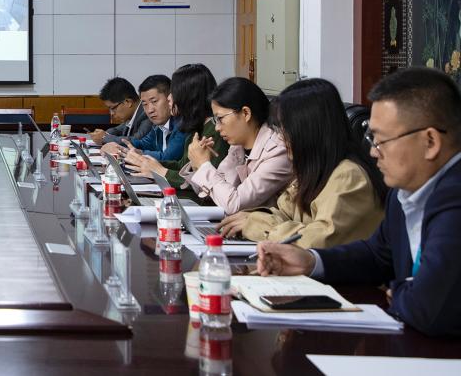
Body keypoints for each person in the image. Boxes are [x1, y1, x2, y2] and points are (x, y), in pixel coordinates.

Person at [257, 68, 461, 336]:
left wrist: (400, 291)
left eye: (382, 140)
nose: (374, 152)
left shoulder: (454, 197)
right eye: (372, 139)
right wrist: (311, 261)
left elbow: (430, 309)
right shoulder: (403, 195)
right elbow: (377, 255)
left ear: (430, 141)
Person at [224, 78, 385, 248]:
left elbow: (319, 241)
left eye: (285, 129)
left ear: (307, 131)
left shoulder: (348, 176)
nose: (281, 138)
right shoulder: (314, 172)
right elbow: (283, 213)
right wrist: (251, 219)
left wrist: (257, 225)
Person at [181, 77, 293, 214]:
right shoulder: (238, 147)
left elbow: (235, 204)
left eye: (220, 119)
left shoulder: (278, 151)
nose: (217, 128)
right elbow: (213, 194)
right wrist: (197, 165)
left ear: (246, 113)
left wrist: (204, 165)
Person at [123, 64, 229, 186]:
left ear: (189, 95)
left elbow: (205, 183)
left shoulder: (216, 130)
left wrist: (160, 171)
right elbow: (182, 166)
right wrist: (145, 162)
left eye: (174, 91)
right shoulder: (195, 128)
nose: (169, 98)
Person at [101, 75, 186, 161]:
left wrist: (134, 153)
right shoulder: (157, 127)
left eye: (154, 101)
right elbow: (142, 144)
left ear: (170, 99)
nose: (149, 110)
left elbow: (167, 158)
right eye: (145, 104)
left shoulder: (182, 124)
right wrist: (117, 147)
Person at [88, 77, 153, 145]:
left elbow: (136, 141)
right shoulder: (130, 115)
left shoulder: (146, 114)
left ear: (128, 102)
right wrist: (103, 134)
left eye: (113, 108)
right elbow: (117, 130)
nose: (111, 113)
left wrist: (104, 137)